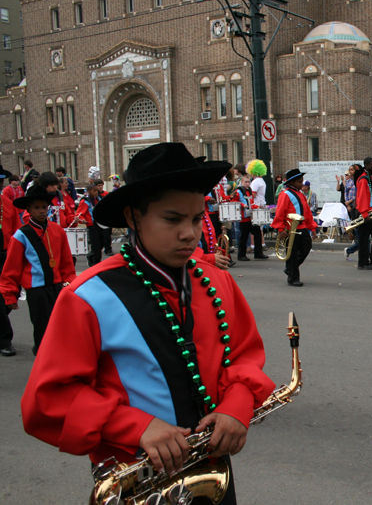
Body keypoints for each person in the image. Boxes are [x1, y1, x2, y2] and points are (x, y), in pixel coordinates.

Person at [20, 143, 274, 505]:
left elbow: (244, 358)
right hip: (138, 481)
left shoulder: (218, 282)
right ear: (134, 216)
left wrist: (236, 406)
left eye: (195, 218)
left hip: (212, 473)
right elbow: (47, 400)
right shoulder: (87, 297)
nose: (190, 233)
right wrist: (135, 426)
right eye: (173, 219)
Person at [0, 185, 76, 355]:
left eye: (44, 207)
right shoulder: (21, 235)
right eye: (36, 208)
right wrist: (10, 293)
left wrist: (70, 284)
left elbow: (66, 263)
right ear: (28, 209)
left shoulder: (57, 230)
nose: (41, 211)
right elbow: (12, 268)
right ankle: (43, 357)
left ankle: (57, 357)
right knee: (42, 327)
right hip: (36, 290)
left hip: (57, 287)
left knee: (61, 326)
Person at [273, 169, 318, 286]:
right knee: (292, 254)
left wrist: (312, 228)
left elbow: (307, 212)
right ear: (291, 183)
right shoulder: (285, 194)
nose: (302, 184)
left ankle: (290, 268)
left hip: (301, 227)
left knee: (306, 247)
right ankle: (293, 278)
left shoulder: (301, 195)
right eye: (299, 182)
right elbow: (279, 213)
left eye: (302, 181)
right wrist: (280, 229)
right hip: (289, 229)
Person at [0, 166, 20, 356]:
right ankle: (5, 339)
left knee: (9, 297)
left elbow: (16, 232)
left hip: (5, 255)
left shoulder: (7, 204)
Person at [232, 176, 266, 262]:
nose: (247, 184)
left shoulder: (249, 191)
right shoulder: (238, 191)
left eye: (248, 182)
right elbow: (233, 201)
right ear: (242, 182)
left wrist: (257, 206)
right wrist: (242, 205)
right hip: (244, 218)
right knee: (243, 237)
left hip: (251, 216)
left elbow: (251, 203)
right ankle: (241, 255)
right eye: (246, 182)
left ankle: (258, 253)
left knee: (257, 234)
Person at [74, 183, 104, 267]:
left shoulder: (98, 199)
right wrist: (83, 220)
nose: (96, 192)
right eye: (94, 191)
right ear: (89, 191)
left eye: (97, 190)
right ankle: (95, 262)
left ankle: (91, 256)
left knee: (102, 242)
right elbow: (79, 214)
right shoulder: (85, 201)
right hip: (92, 225)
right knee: (96, 245)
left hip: (99, 224)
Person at [343, 164, 362, 260]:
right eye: (349, 170)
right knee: (359, 232)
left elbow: (359, 194)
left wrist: (350, 201)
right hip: (352, 208)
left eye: (352, 170)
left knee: (362, 236)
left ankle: (350, 250)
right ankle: (351, 250)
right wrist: (348, 204)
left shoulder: (359, 181)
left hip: (357, 205)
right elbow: (346, 193)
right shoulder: (349, 182)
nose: (350, 172)